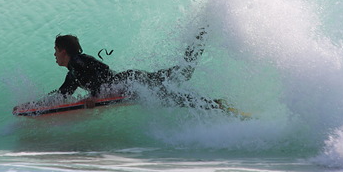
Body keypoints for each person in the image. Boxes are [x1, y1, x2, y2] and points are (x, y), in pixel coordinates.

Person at [50, 30, 226, 110]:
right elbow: (63, 94)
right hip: (130, 84)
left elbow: (101, 69)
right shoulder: (73, 73)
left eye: (56, 51)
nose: (55, 55)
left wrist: (94, 96)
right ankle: (213, 104)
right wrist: (39, 105)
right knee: (168, 94)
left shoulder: (78, 61)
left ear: (63, 51)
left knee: (181, 76)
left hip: (132, 81)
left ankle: (201, 34)